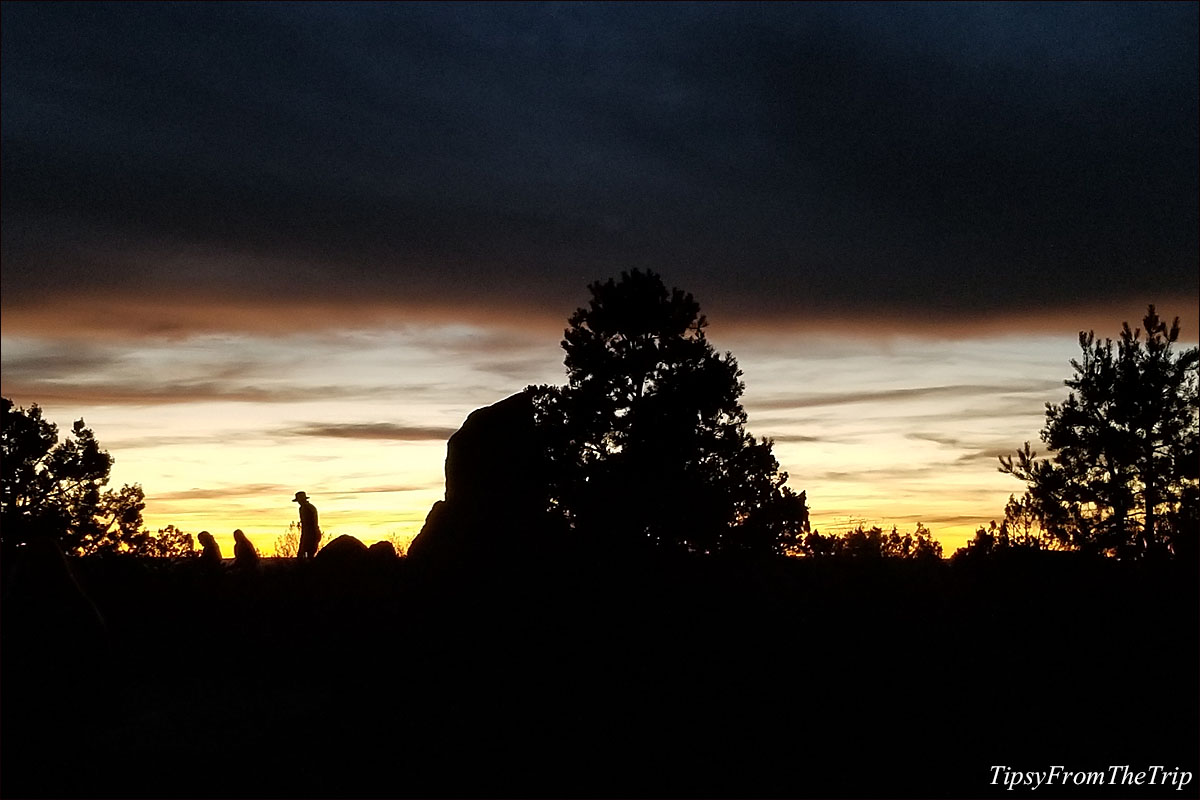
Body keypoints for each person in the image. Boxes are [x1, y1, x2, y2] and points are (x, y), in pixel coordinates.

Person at [293, 492, 322, 558]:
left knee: (305, 555)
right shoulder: (307, 507)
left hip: (311, 534)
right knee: (307, 555)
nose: (299, 502)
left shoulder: (307, 508)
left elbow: (311, 523)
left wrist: (307, 536)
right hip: (310, 533)